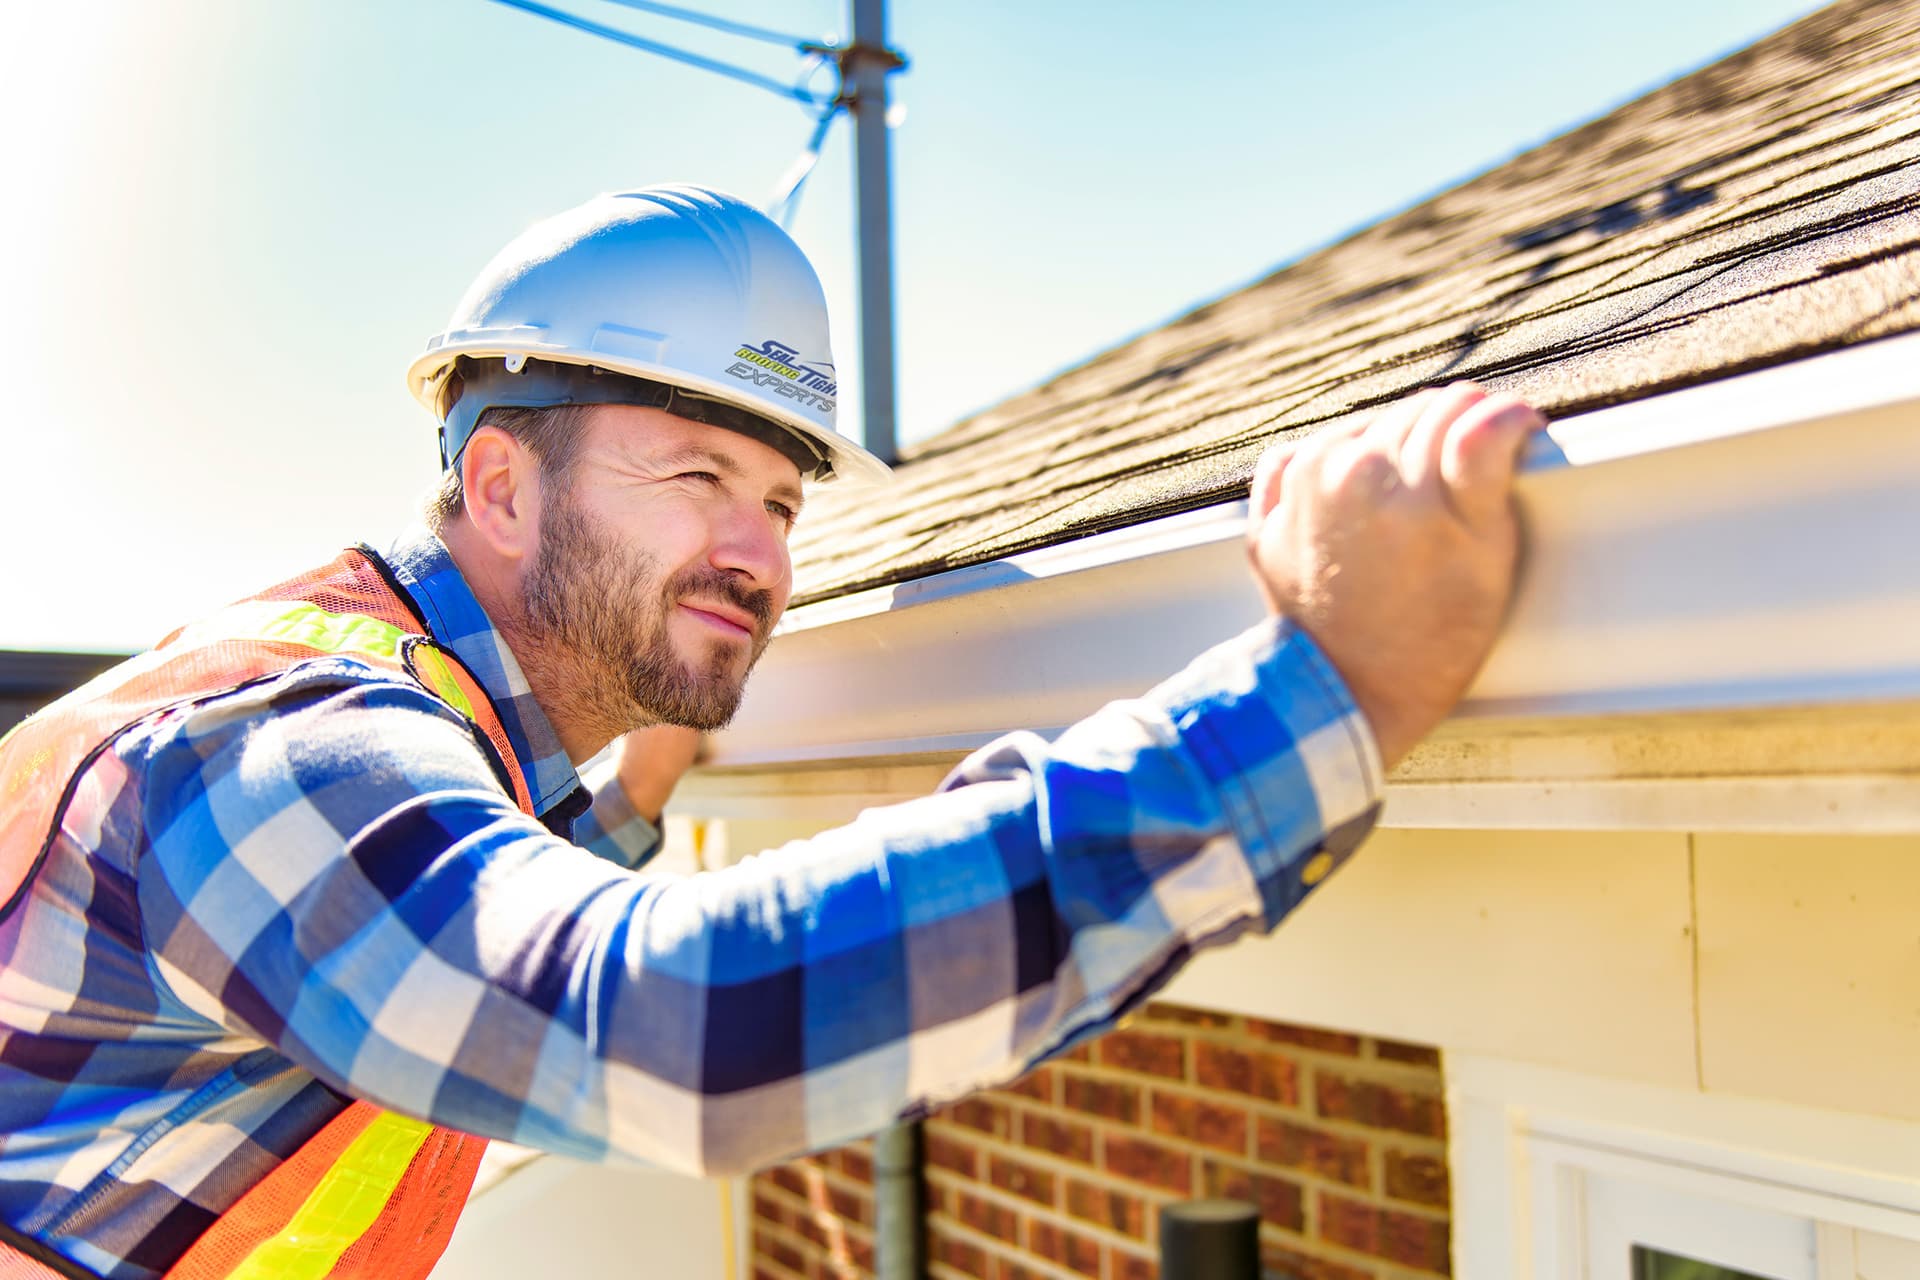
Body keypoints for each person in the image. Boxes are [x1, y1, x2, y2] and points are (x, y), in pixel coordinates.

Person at [0, 186, 1543, 1280]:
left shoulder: (406, 713)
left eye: (782, 500)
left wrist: (634, 773)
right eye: (690, 477)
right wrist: (1324, 696)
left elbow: (431, 924)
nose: (757, 553)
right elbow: (668, 1031)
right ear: (497, 489)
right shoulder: (289, 749)